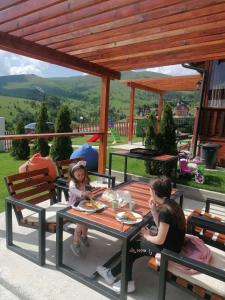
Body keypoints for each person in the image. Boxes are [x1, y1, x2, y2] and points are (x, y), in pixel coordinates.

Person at [96, 176, 186, 293]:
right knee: (132, 248)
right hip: (173, 246)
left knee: (129, 248)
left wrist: (147, 235)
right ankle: (112, 274)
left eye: (150, 189)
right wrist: (153, 210)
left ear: (154, 192)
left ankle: (124, 282)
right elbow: (161, 228)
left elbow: (159, 240)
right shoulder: (171, 204)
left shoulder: (165, 211)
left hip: (167, 251)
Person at [68, 160, 92, 256]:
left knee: (87, 219)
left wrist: (88, 194)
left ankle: (84, 236)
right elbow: (73, 190)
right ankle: (75, 243)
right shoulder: (72, 183)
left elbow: (85, 190)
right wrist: (83, 193)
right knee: (81, 223)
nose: (81, 177)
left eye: (83, 174)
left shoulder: (82, 181)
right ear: (73, 175)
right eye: (79, 175)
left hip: (82, 203)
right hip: (74, 205)